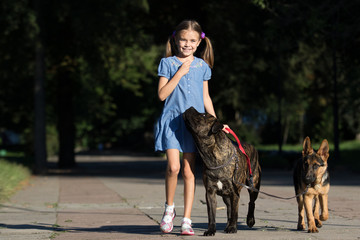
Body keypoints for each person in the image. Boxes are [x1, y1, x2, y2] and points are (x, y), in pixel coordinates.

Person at [154, 20, 228, 235]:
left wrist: (215, 123)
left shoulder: (203, 66)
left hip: (194, 126)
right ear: (175, 40)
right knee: (173, 168)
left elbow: (206, 97)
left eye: (192, 41)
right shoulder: (167, 63)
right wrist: (179, 72)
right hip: (172, 122)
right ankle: (169, 210)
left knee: (188, 170)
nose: (187, 44)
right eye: (183, 40)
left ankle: (187, 219)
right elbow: (161, 95)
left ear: (199, 42)